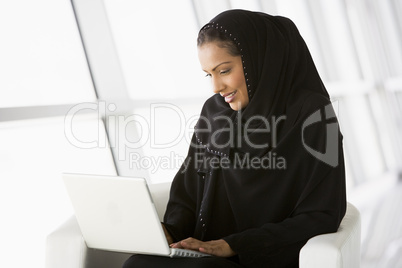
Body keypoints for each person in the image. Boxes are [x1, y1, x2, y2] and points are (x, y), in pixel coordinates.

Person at [123, 9, 346, 268]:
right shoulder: (215, 111)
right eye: (209, 74)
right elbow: (188, 193)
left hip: (264, 256)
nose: (216, 87)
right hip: (207, 253)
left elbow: (322, 214)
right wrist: (170, 231)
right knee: (136, 263)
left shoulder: (313, 114)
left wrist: (233, 245)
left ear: (258, 60)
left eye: (224, 70)